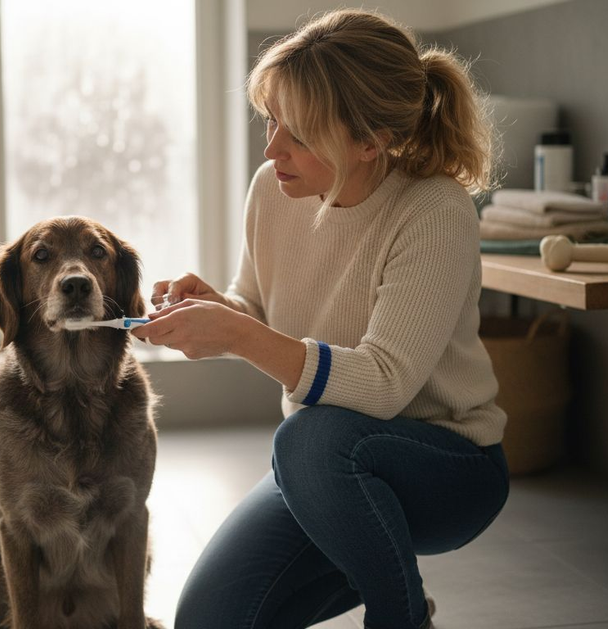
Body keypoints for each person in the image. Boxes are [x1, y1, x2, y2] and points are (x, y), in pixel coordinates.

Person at [130, 8, 509, 629]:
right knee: (208, 620)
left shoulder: (434, 210)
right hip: (326, 471)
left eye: (298, 133)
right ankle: (380, 569)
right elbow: (257, 307)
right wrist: (218, 311)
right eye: (271, 119)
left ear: (370, 141)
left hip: (447, 467)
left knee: (308, 436)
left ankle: (402, 616)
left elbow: (384, 386)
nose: (271, 147)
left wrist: (240, 334)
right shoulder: (273, 189)